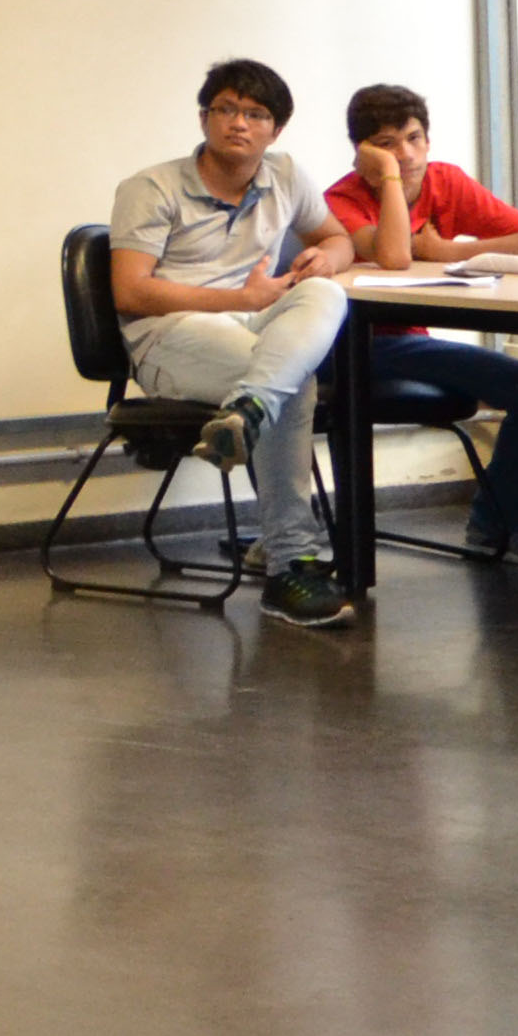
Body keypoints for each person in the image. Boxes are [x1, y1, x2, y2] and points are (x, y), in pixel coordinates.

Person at [107, 57, 359, 629]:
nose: (237, 123)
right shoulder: (151, 188)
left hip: (252, 328)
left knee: (327, 294)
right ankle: (290, 562)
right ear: (203, 118)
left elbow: (339, 237)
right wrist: (239, 302)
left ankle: (246, 411)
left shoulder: (287, 175)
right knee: (291, 384)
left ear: (275, 130)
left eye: (254, 113)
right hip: (169, 337)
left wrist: (328, 256)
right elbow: (131, 293)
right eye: (224, 109)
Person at [323, 82, 518, 565]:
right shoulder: (342, 199)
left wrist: (453, 251)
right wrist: (391, 179)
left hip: (409, 342)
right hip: (348, 347)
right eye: (389, 144)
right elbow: (394, 256)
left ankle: (495, 528)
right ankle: (496, 528)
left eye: (415, 138)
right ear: (364, 152)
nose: (408, 153)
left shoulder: (446, 181)